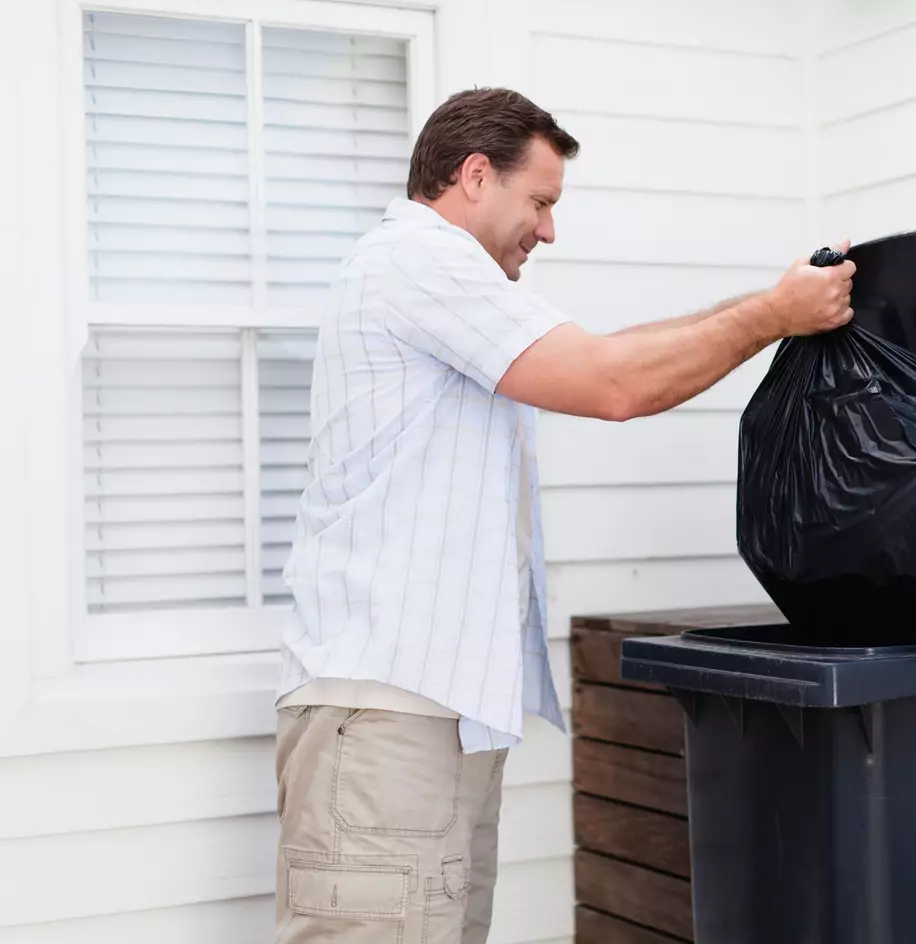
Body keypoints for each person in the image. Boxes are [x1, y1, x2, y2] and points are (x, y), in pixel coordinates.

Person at [272, 86, 855, 943]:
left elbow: (606, 352)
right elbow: (613, 384)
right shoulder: (418, 261)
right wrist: (773, 316)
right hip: (387, 720)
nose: (547, 230)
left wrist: (771, 305)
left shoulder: (444, 283)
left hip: (425, 717)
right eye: (540, 201)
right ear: (475, 175)